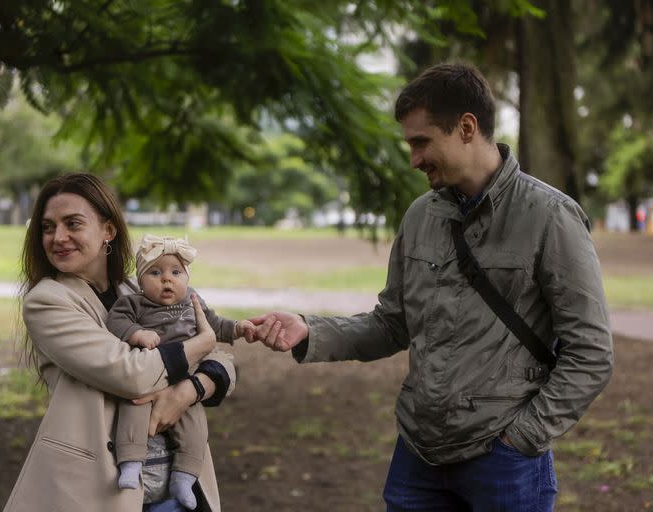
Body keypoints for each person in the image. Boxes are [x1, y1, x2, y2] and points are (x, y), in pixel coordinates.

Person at [249, 62, 613, 511]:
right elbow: (391, 324)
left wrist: (523, 437)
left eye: (421, 142)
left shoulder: (551, 217)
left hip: (503, 461)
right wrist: (310, 330)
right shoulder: (420, 216)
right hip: (417, 456)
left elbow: (591, 350)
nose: (414, 159)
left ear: (466, 128)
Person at [5, 173, 235, 512]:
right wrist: (201, 345)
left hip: (177, 483)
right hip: (104, 487)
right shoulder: (48, 301)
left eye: (73, 224)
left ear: (108, 231)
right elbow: (132, 375)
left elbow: (227, 361)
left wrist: (189, 391)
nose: (59, 237)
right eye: (48, 227)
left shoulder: (140, 289)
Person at [107, 234, 254, 509]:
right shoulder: (134, 304)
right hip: (149, 379)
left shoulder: (192, 301)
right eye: (155, 272)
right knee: (133, 409)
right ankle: (130, 462)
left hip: (187, 379)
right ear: (140, 281)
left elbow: (214, 324)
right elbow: (116, 322)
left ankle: (184, 477)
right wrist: (137, 334)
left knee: (195, 427)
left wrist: (236, 329)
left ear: (186, 277)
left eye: (176, 272)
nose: (167, 279)